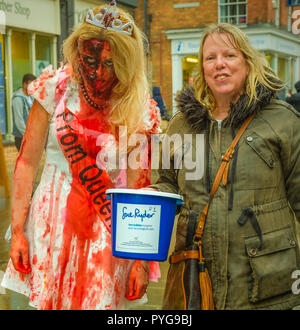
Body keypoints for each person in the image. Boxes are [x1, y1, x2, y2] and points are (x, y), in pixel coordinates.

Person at [1, 2, 160, 310]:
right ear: (76, 51)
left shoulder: (137, 104)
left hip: (106, 227)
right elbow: (26, 161)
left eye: (110, 64)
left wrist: (140, 261)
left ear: (127, 63)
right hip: (50, 225)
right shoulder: (55, 88)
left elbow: (141, 189)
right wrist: (18, 230)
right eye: (88, 60)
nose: (97, 72)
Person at [148, 23, 300, 310]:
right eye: (210, 58)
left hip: (265, 286)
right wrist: (149, 198)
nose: (220, 64)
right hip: (196, 279)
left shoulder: (282, 121)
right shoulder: (183, 125)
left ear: (247, 61)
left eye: (229, 55)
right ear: (202, 68)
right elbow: (168, 181)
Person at [12, 73, 36, 151]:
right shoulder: (18, 99)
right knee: (27, 163)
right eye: (30, 85)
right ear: (24, 85)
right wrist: (27, 136)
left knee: (33, 162)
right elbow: (19, 121)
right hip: (22, 138)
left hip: (31, 137)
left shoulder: (31, 98)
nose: (33, 87)